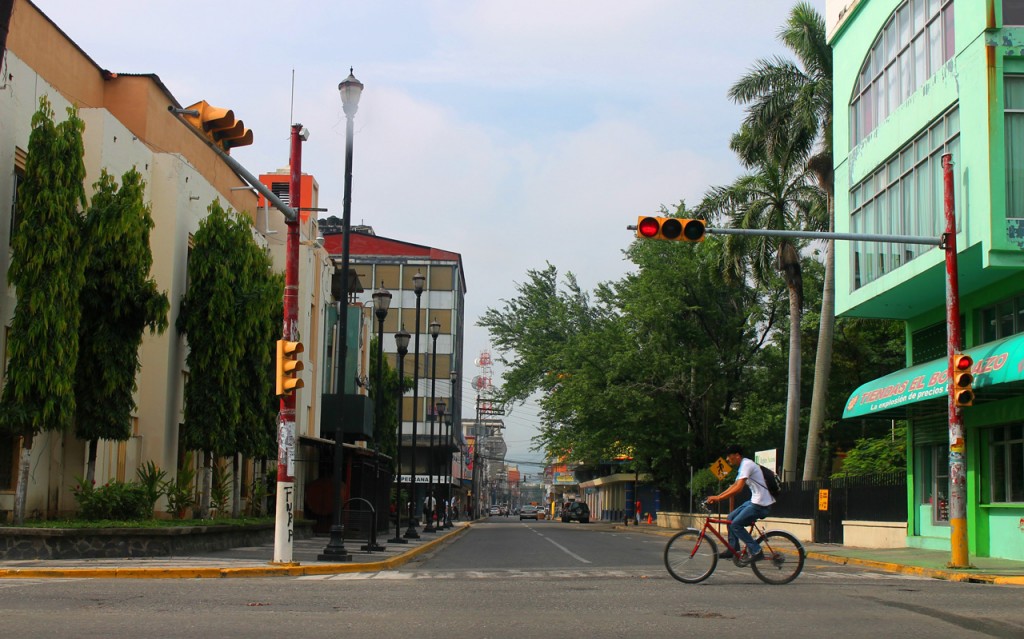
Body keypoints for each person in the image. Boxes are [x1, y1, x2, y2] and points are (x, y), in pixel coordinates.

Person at [706, 444, 775, 565]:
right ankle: (734, 549)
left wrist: (718, 498)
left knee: (735, 525)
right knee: (730, 518)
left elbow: (738, 489)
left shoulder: (747, 465)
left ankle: (756, 550)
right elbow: (733, 485)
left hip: (761, 504)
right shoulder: (743, 466)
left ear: (737, 456)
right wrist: (717, 497)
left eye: (729, 456)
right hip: (755, 501)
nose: (727, 459)